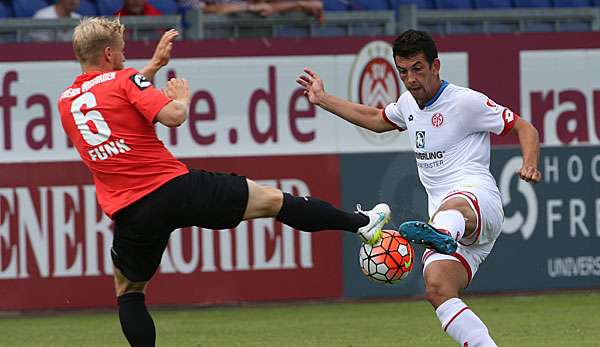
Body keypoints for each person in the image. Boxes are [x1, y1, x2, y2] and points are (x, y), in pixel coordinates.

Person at [58, 17, 389, 347]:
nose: (125, 56)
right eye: (121, 51)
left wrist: (155, 66)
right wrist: (182, 98)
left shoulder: (67, 101)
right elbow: (171, 116)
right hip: (176, 189)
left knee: (129, 291)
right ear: (107, 54)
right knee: (273, 201)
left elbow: (111, 95)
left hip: (132, 210)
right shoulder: (126, 79)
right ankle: (362, 224)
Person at [297, 29, 541, 347]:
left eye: (417, 69)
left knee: (451, 209)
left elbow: (524, 126)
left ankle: (441, 234)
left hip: (477, 202)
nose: (411, 79)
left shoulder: (465, 102)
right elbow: (374, 117)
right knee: (437, 290)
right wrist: (322, 99)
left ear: (435, 66)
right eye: (403, 71)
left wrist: (530, 162)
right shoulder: (407, 105)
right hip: (454, 229)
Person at [186, 0, 323, 22]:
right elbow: (203, 9)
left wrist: (298, 3)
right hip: (213, 43)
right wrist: (249, 8)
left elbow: (266, 7)